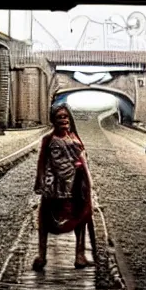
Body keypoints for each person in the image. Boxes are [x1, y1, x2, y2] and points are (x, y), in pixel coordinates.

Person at [32, 102, 93, 271]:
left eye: (65, 116)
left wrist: (88, 181)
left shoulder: (74, 137)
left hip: (76, 185)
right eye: (59, 117)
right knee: (45, 218)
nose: (63, 120)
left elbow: (83, 159)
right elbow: (42, 161)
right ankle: (42, 255)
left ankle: (79, 255)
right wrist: (40, 182)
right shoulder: (49, 139)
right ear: (53, 120)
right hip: (54, 186)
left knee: (82, 216)